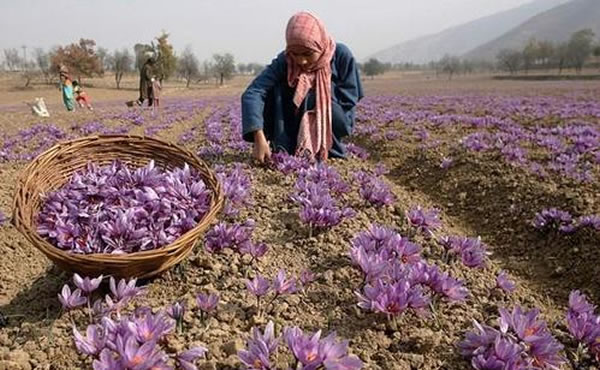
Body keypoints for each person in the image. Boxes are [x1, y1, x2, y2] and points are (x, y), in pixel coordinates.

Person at [241, 11, 364, 163]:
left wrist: (318, 99)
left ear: (320, 44)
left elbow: (349, 100)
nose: (301, 61)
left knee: (309, 91)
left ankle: (323, 147)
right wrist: (258, 135)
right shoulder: (285, 59)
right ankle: (285, 144)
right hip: (293, 121)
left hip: (334, 119)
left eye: (308, 53)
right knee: (276, 88)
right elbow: (254, 92)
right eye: (295, 54)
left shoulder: (340, 55)